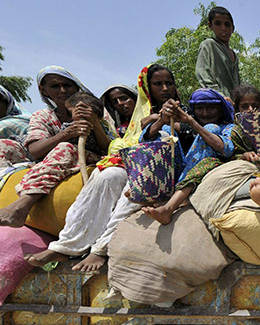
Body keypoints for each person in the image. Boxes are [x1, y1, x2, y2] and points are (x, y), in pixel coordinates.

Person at [25, 65, 184, 271]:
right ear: (146, 88)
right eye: (157, 84)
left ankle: (101, 248)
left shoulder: (187, 108)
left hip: (169, 167)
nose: (164, 88)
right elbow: (127, 144)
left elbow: (194, 131)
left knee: (138, 184)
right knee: (106, 176)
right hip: (134, 161)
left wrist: (165, 120)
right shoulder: (138, 117)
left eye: (168, 83)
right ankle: (66, 246)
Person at [0, 91, 116, 227]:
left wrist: (95, 124)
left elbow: (110, 149)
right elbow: (36, 150)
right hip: (57, 158)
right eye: (73, 112)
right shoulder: (64, 125)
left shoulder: (104, 126)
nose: (62, 91)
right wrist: (67, 133)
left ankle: (21, 206)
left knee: (65, 148)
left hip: (92, 159)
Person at [142, 88, 235, 224]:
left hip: (206, 174)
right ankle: (157, 190)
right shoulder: (184, 126)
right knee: (166, 132)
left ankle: (172, 203)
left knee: (210, 128)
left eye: (211, 108)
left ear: (221, 110)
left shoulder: (227, 128)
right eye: (200, 108)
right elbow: (144, 140)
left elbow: (225, 149)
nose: (204, 113)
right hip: (179, 174)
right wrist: (162, 120)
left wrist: (192, 122)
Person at [195, 6, 240, 97]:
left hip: (234, 104)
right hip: (217, 102)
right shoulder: (208, 45)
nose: (223, 28)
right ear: (210, 26)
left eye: (227, 24)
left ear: (233, 28)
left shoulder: (234, 54)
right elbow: (204, 76)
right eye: (218, 24)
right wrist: (221, 97)